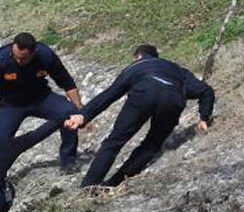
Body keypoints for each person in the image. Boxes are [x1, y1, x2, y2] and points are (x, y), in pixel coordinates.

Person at [64, 44, 215, 188]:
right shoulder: (177, 69)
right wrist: (204, 117)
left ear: (138, 56)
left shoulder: (136, 66)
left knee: (114, 142)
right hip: (173, 99)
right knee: (152, 145)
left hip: (144, 93)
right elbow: (206, 91)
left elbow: (110, 94)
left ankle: (88, 187)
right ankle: (113, 184)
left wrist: (84, 115)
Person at [0, 32, 83, 174]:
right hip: (10, 105)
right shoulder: (0, 58)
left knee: (69, 113)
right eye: (15, 57)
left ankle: (68, 162)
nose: (18, 61)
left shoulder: (46, 55)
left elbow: (67, 82)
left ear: (33, 53)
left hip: (42, 98)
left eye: (23, 59)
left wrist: (80, 111)